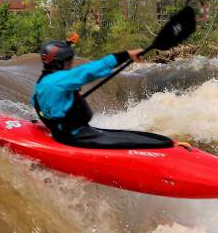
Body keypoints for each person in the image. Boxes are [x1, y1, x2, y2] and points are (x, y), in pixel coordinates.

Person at [31, 38, 173, 149]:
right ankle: (169, 146)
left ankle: (167, 143)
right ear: (57, 64)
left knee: (130, 136)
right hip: (76, 137)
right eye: (68, 63)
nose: (70, 66)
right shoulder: (60, 79)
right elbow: (90, 70)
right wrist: (127, 55)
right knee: (154, 142)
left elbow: (41, 105)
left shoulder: (41, 83)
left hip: (64, 134)